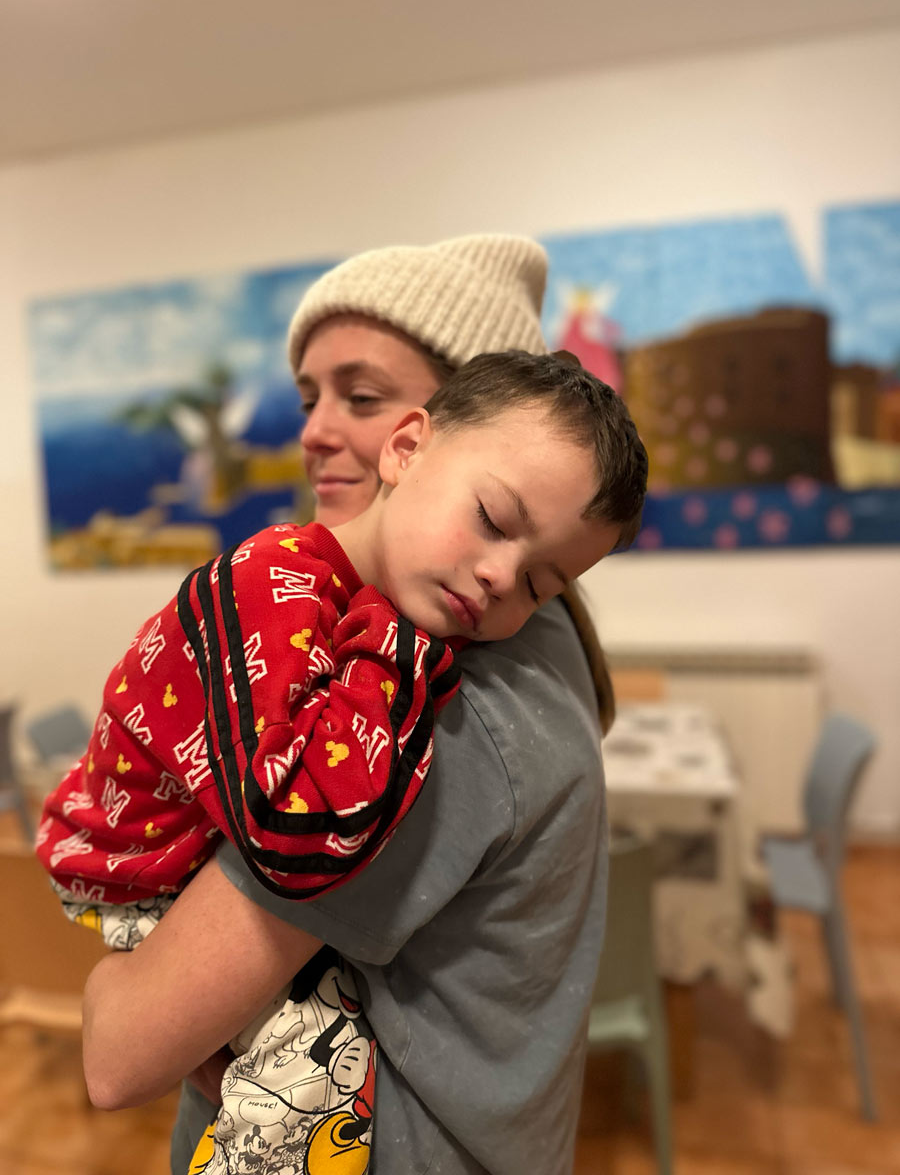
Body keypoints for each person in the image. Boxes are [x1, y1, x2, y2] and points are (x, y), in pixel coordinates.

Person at [81, 235, 639, 1175]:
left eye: (363, 396)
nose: (315, 431)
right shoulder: (530, 644)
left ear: (438, 425)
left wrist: (106, 984)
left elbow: (120, 1053)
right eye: (309, 397)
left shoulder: (433, 697)